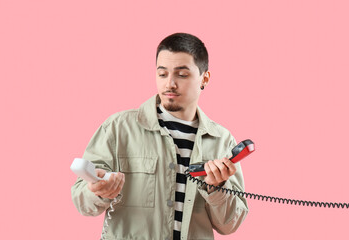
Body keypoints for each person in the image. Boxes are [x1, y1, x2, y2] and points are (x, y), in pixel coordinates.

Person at [71, 32, 249, 240]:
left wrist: (217, 188)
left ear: (204, 78)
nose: (170, 84)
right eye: (162, 74)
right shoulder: (118, 128)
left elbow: (230, 225)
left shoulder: (222, 141)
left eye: (182, 75)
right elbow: (80, 200)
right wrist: (98, 191)